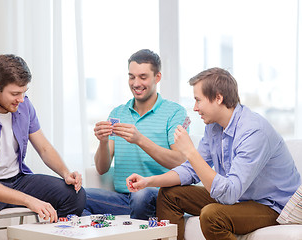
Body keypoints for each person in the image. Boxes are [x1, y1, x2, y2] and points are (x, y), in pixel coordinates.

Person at [126, 67, 301, 239]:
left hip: (272, 206)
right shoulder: (214, 128)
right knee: (169, 194)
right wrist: (148, 181)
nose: (194, 108)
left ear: (218, 98)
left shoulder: (253, 131)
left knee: (212, 215)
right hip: (240, 198)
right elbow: (190, 171)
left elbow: (230, 193)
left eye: (198, 100)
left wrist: (190, 151)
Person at [0, 54, 86, 240]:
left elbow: (43, 148)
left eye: (24, 92)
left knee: (74, 195)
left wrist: (66, 173)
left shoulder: (24, 106)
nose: (21, 99)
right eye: (15, 94)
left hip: (17, 179)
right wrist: (29, 201)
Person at [83, 49, 189, 220]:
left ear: (157, 77)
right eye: (131, 77)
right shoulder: (118, 113)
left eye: (143, 77)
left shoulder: (175, 113)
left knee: (141, 195)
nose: (136, 83)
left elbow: (180, 162)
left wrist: (140, 140)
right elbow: (102, 169)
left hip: (158, 195)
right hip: (123, 198)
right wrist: (103, 142)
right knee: (77, 197)